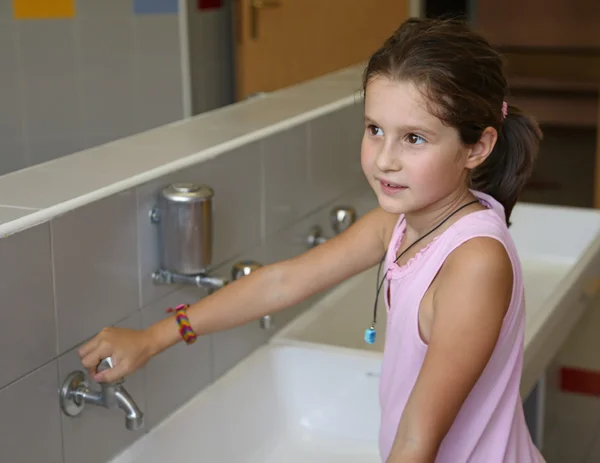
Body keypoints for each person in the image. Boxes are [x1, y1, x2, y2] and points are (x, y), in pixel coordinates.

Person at [78, 17, 545, 463]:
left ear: (477, 147)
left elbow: (416, 440)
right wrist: (152, 338)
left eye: (414, 139)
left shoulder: (474, 263)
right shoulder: (403, 223)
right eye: (375, 130)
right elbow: (281, 283)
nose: (384, 160)